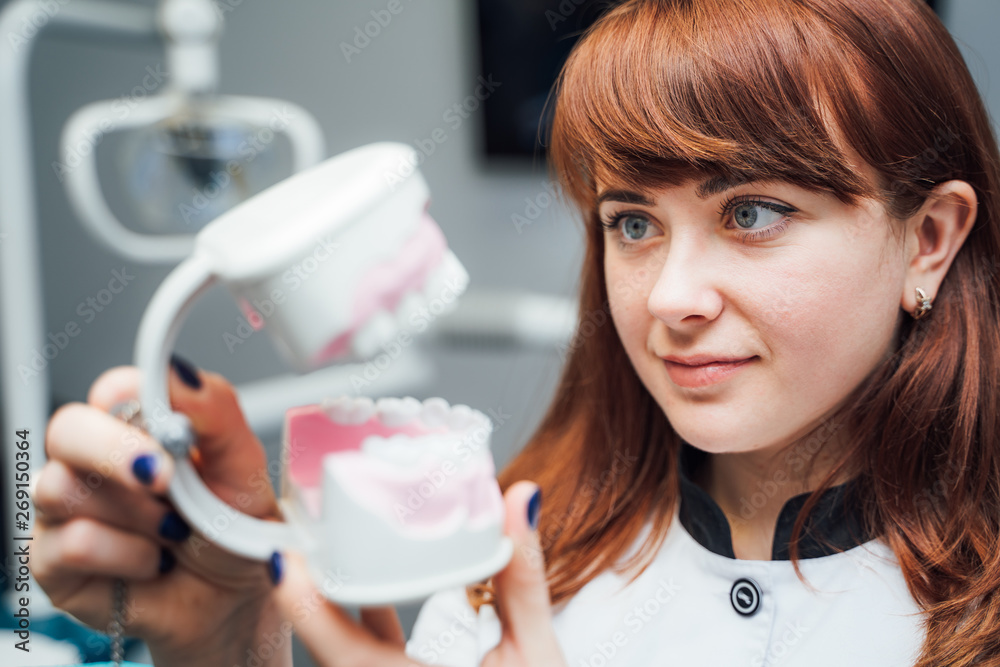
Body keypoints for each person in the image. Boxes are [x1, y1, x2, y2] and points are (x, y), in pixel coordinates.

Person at [31, 0, 1000, 664]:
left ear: (927, 238)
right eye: (631, 222)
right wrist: (224, 644)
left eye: (750, 213)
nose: (669, 297)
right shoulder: (509, 563)